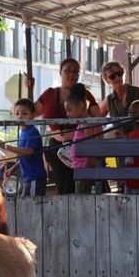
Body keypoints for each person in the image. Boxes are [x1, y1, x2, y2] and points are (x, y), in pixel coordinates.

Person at [35, 57, 98, 194]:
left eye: (75, 72)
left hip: (83, 146)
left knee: (85, 186)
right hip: (58, 149)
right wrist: (29, 88)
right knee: (65, 188)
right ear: (60, 72)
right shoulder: (49, 94)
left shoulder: (86, 94)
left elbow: (96, 119)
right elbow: (31, 112)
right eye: (67, 71)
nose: (71, 74)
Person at [0, 98, 47, 197]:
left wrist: (6, 146)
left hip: (36, 178)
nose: (20, 116)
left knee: (34, 206)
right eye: (17, 113)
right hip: (27, 178)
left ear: (32, 116)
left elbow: (28, 152)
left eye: (24, 113)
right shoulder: (23, 133)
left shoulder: (32, 132)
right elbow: (24, 155)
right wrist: (13, 169)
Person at [64, 83, 99, 194]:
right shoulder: (85, 123)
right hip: (82, 169)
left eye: (69, 110)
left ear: (80, 106)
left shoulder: (86, 124)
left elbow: (90, 150)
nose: (67, 114)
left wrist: (84, 174)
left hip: (84, 170)